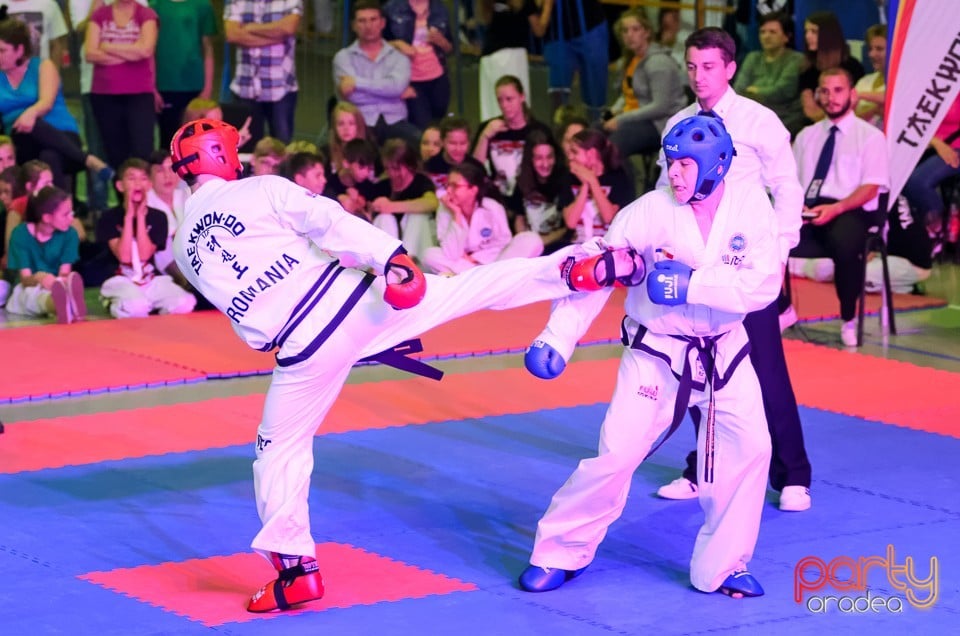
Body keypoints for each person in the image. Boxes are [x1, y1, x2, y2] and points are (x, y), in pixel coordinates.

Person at [167, 117, 638, 613]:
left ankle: (295, 570)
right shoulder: (259, 188)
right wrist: (391, 257)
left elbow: (246, 312)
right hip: (357, 302)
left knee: (277, 451)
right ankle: (570, 269)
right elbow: (330, 220)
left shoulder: (183, 246)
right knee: (467, 290)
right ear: (222, 155)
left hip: (302, 348)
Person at [517, 115, 780, 599]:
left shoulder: (751, 209)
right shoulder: (646, 211)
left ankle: (723, 567)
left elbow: (765, 285)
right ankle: (559, 552)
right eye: (670, 163)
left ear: (716, 166)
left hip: (725, 352)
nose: (674, 174)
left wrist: (691, 284)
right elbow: (599, 270)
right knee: (615, 455)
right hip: (657, 352)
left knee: (751, 451)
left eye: (684, 165)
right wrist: (558, 337)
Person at [656, 27, 811, 513]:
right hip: (696, 264)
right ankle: (703, 469)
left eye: (708, 67)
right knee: (701, 369)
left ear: (729, 68)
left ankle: (793, 475)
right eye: (693, 66)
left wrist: (782, 250)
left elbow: (787, 188)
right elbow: (669, 195)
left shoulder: (759, 121)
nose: (699, 77)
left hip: (748, 263)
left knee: (766, 367)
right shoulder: (678, 124)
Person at [791, 67, 890, 347]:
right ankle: (780, 310)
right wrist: (795, 209)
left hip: (850, 209)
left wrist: (836, 209)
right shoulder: (806, 136)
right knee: (767, 239)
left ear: (853, 94)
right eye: (825, 90)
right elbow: (794, 183)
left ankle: (849, 317)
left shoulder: (870, 137)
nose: (831, 97)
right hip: (809, 208)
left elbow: (871, 186)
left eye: (838, 90)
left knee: (845, 244)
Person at [0, 17, 112, 191]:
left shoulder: (43, 66)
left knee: (49, 156)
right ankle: (87, 159)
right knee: (32, 128)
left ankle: (61, 214)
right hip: (20, 139)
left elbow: (46, 102)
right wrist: (27, 117)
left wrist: (30, 113)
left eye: (2, 50)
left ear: (19, 50)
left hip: (62, 136)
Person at [97, 158, 197, 318]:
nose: (138, 184)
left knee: (185, 302)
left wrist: (141, 217)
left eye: (143, 178)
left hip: (150, 278)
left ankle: (152, 314)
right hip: (120, 278)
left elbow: (144, 255)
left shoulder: (158, 217)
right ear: (120, 186)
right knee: (135, 308)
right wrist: (129, 217)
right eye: (131, 178)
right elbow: (124, 256)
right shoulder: (108, 217)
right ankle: (112, 301)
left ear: (149, 185)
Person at [422, 161, 542, 274]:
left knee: (531, 239)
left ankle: (490, 278)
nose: (448, 190)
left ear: (473, 190)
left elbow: (503, 243)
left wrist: (476, 258)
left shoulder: (492, 207)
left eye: (455, 186)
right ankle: (489, 281)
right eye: (447, 185)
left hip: (494, 263)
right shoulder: (445, 209)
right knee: (429, 255)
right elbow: (450, 254)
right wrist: (456, 215)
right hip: (465, 267)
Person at [333, 0, 421, 148]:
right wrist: (392, 93)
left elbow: (396, 87)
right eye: (362, 21)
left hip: (395, 120)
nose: (368, 26)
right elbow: (353, 96)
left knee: (421, 145)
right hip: (360, 122)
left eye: (373, 20)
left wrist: (357, 82)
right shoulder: (342, 57)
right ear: (354, 26)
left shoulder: (399, 56)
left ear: (382, 23)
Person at [602, 8, 687, 163]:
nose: (629, 35)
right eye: (625, 31)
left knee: (613, 145)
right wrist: (609, 114)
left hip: (660, 123)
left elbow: (660, 106)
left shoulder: (658, 63)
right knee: (594, 133)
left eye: (635, 29)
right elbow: (627, 94)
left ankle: (625, 184)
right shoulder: (630, 60)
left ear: (647, 32)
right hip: (636, 116)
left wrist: (621, 119)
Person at [84, 0, 159, 167]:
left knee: (143, 152)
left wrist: (107, 46)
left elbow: (146, 50)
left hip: (139, 94)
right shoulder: (100, 15)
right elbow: (90, 53)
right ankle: (122, 192)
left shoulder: (146, 14)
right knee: (115, 155)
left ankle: (143, 191)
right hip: (105, 95)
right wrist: (131, 53)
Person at [223, 0, 302, 143]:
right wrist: (276, 36)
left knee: (281, 150)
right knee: (243, 146)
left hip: (281, 89)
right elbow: (232, 34)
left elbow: (289, 28)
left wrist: (250, 28)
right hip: (245, 88)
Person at [5, 185, 85, 323]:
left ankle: (66, 303)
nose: (71, 219)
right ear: (47, 218)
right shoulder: (21, 234)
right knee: (31, 296)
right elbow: (25, 279)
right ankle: (59, 306)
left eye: (71, 213)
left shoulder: (70, 234)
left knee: (58, 288)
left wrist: (60, 281)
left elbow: (65, 272)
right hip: (29, 286)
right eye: (65, 214)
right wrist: (38, 278)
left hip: (56, 284)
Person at [150, 0, 218, 149]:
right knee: (168, 141)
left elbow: (208, 49)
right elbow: (150, 50)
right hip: (165, 85)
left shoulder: (202, 5)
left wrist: (207, 89)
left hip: (195, 85)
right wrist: (152, 88)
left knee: (196, 141)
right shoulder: (154, 5)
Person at [473, 75, 552, 200]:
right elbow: (474, 169)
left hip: (530, 198)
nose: (504, 105)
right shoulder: (489, 128)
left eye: (509, 99)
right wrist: (484, 137)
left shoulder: (540, 130)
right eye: (500, 100)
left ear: (522, 97)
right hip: (498, 198)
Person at [382, 0, 454, 130]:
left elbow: (450, 48)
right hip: (411, 79)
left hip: (438, 78)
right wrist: (397, 44)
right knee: (422, 127)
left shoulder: (440, 8)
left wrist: (441, 41)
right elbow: (378, 45)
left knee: (438, 128)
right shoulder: (391, 9)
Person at [733, 11, 806, 137]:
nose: (766, 36)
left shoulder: (796, 59)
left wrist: (754, 90)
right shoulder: (752, 57)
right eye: (762, 32)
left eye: (772, 32)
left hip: (785, 119)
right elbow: (738, 90)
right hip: (751, 116)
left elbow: (783, 91)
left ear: (787, 36)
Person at [560, 128, 635, 244]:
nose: (570, 157)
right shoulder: (569, 177)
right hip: (575, 246)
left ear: (592, 154)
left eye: (575, 152)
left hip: (606, 246)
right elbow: (570, 222)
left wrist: (593, 181)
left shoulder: (617, 177)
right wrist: (585, 184)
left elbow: (609, 217)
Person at [370, 138, 438, 261]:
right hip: (392, 248)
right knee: (384, 218)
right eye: (388, 168)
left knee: (417, 217)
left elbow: (432, 203)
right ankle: (389, 263)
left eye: (396, 168)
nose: (392, 173)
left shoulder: (421, 182)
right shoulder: (381, 186)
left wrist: (391, 206)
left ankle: (409, 263)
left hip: (420, 246)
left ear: (409, 165)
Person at [798, 11, 864, 124]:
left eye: (814, 31)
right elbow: (810, 111)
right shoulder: (808, 70)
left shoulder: (852, 67)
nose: (808, 36)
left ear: (829, 35)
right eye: (806, 31)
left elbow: (857, 105)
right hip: (816, 127)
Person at [514, 129, 572, 253]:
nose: (545, 164)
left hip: (561, 248)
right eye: (539, 158)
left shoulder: (565, 179)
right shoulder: (521, 180)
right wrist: (525, 242)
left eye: (549, 157)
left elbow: (569, 227)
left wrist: (542, 241)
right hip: (530, 250)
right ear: (530, 159)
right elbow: (519, 218)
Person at [853, 24, 887, 130]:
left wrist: (860, 95)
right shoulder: (864, 81)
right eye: (871, 48)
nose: (872, 54)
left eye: (879, 49)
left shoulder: (904, 82)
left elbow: (892, 98)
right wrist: (872, 111)